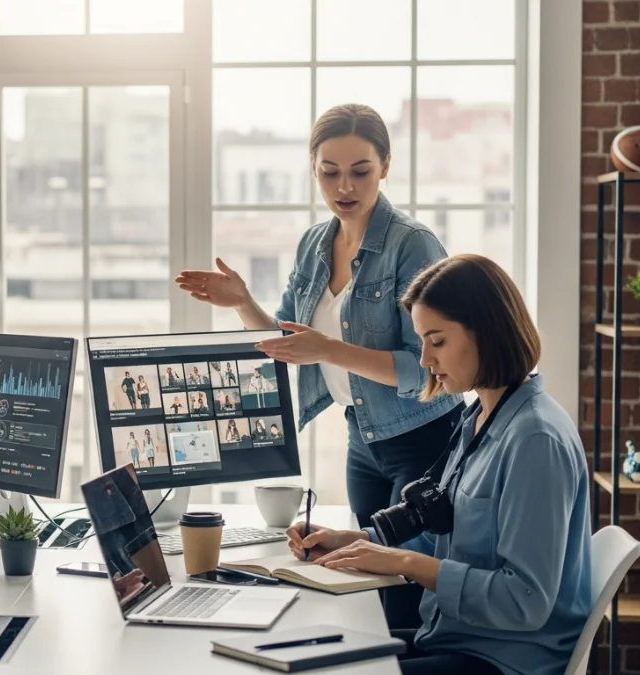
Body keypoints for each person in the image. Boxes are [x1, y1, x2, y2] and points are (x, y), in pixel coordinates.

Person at [286, 254, 590, 675]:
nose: (425, 359)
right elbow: (454, 541)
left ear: (487, 333)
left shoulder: (535, 440)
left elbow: (524, 599)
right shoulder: (480, 417)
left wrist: (405, 563)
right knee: (302, 659)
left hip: (503, 659)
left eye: (438, 341)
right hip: (453, 638)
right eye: (422, 341)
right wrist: (354, 539)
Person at [176, 103, 463, 529]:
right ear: (313, 168)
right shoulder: (313, 244)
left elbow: (429, 372)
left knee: (404, 583)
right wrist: (241, 302)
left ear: (385, 166)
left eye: (361, 171)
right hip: (362, 439)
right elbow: (284, 341)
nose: (344, 186)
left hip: (424, 437)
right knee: (364, 575)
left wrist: (329, 350)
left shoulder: (413, 245)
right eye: (330, 172)